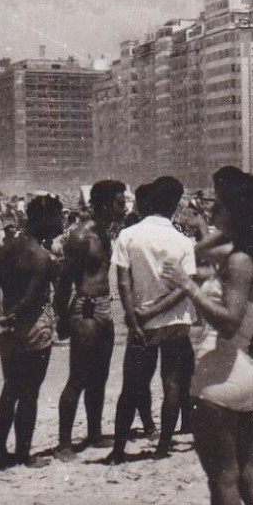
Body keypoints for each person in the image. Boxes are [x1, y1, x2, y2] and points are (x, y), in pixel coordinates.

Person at [159, 167, 253, 505]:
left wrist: (191, 288)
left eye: (218, 202)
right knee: (249, 476)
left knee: (223, 482)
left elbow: (229, 322)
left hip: (218, 377)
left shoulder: (239, 260)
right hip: (244, 374)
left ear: (235, 210)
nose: (211, 207)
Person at [110, 176, 196, 462]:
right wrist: (156, 310)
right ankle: (162, 448)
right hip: (175, 324)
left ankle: (119, 450)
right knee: (172, 384)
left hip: (141, 323)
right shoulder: (183, 241)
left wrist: (135, 315)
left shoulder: (129, 235)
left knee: (131, 387)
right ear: (174, 205)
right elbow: (184, 288)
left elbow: (123, 282)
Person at [0, 194, 63, 469]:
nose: (61, 223)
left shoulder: (5, 247)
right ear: (43, 220)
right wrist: (11, 316)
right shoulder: (42, 257)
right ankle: (24, 454)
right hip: (33, 328)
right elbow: (31, 298)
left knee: (10, 389)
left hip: (6, 331)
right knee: (30, 393)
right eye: (57, 218)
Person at [51, 180, 125, 456]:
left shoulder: (105, 234)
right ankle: (64, 443)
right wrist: (61, 318)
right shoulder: (82, 237)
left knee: (100, 376)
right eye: (120, 203)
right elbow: (64, 282)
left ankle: (94, 433)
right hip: (86, 310)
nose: (124, 208)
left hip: (104, 309)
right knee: (79, 377)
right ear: (105, 204)